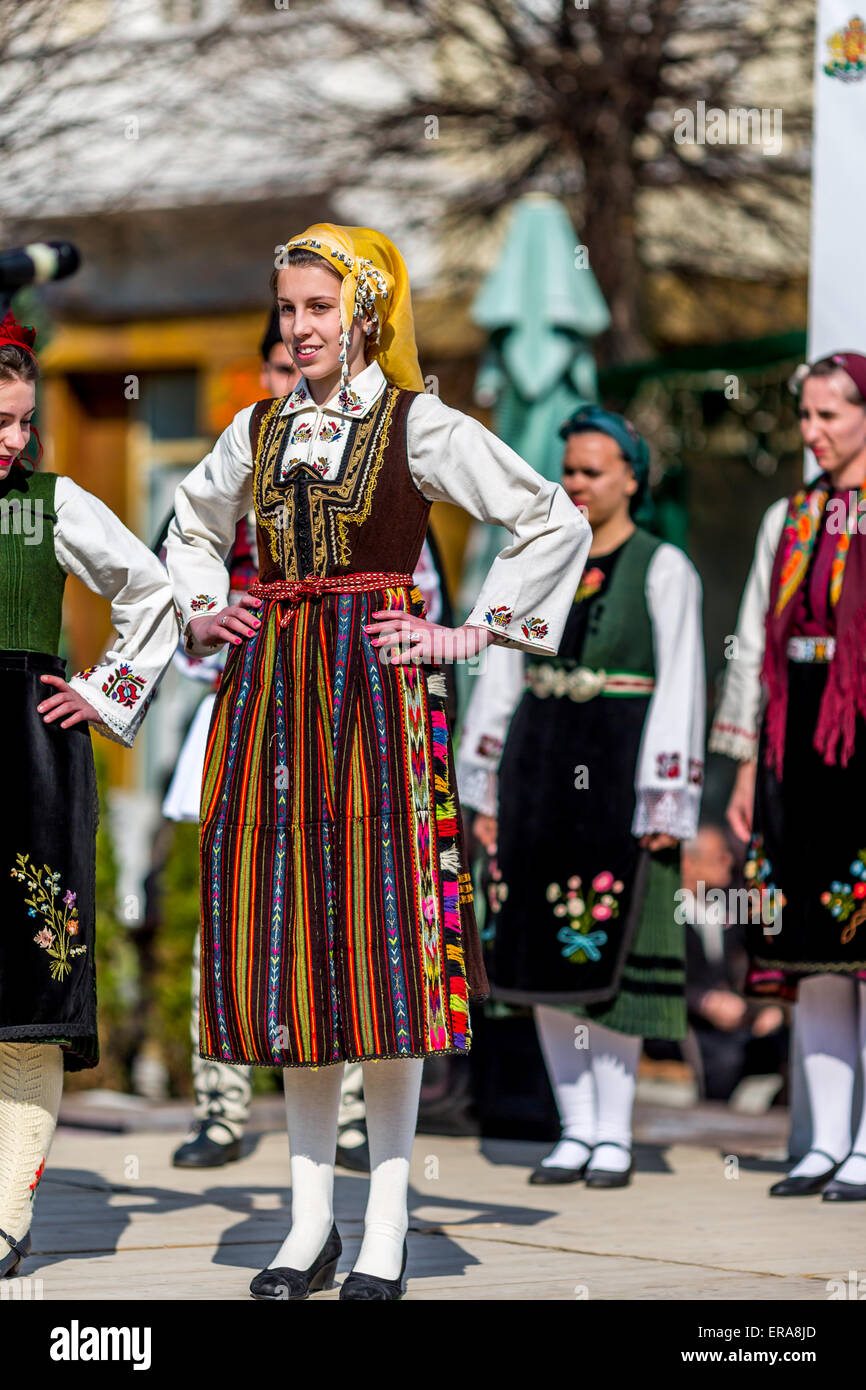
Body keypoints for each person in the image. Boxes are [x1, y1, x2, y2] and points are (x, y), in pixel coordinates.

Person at [164, 223, 590, 1300]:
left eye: (316, 308)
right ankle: (306, 1227)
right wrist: (206, 607)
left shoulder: (418, 423)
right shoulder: (257, 429)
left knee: (380, 959)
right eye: (288, 310)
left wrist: (466, 633)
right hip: (270, 707)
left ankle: (386, 1227)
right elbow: (188, 522)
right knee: (298, 958)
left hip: (375, 704)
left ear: (365, 314)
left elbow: (548, 519)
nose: (298, 328)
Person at [459, 406, 705, 1188]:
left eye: (593, 471)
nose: (577, 484)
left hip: (617, 768)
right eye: (569, 470)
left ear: (632, 477)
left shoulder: (663, 567)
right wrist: (486, 779)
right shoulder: (532, 559)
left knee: (610, 955)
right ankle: (574, 1130)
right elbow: (498, 671)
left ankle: (614, 1132)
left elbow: (683, 682)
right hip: (538, 767)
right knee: (540, 954)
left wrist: (665, 795)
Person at [0, 312, 177, 1277]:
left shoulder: (50, 504)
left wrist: (103, 692)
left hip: (29, 757)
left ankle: (8, 1213)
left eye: (26, 422)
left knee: (28, 986)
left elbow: (149, 589)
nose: (16, 440)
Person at [711, 351, 866, 1201]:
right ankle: (823, 1142)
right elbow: (751, 644)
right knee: (812, 954)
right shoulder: (790, 518)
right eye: (804, 417)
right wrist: (739, 765)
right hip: (794, 748)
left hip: (863, 741)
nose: (812, 433)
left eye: (829, 416)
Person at [681, 825, 787, 1102]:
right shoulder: (663, 915)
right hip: (683, 1026)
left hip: (736, 1022)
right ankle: (710, 1135)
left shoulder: (732, 905)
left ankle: (780, 1120)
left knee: (790, 1044)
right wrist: (704, 1001)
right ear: (688, 864)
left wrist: (767, 1008)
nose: (729, 861)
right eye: (719, 857)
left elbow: (753, 965)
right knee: (725, 1060)